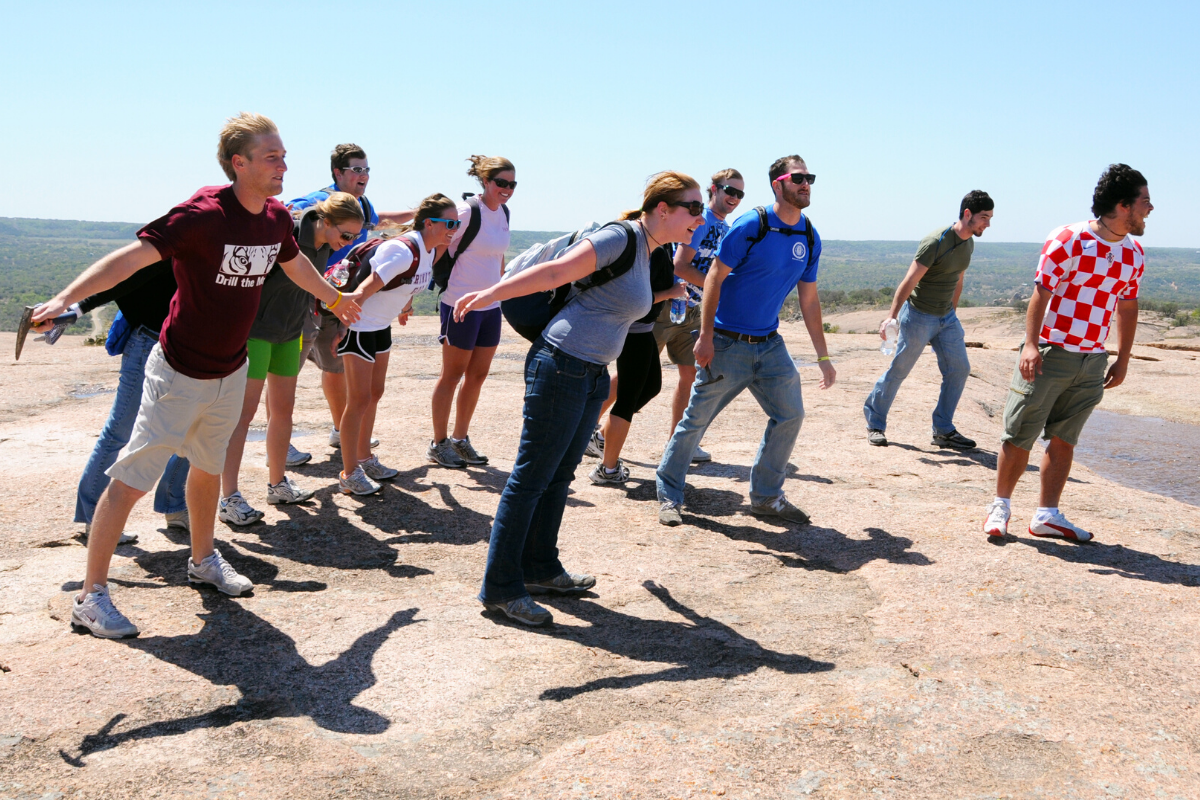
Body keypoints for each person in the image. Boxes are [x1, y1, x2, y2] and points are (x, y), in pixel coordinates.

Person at [34, 113, 362, 638]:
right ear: (240, 163)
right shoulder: (204, 213)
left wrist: (337, 299)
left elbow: (294, 264)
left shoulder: (275, 217)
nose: (284, 165)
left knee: (206, 470)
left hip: (232, 367)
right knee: (132, 479)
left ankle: (203, 559)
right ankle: (91, 595)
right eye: (272, 157)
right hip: (179, 370)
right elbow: (132, 259)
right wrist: (67, 298)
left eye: (283, 155)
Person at [454, 171, 706, 626]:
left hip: (590, 372)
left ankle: (542, 569)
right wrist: (490, 294)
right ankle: (500, 588)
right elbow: (555, 271)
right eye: (694, 207)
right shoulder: (621, 237)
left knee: (558, 477)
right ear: (663, 209)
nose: (701, 217)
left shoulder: (654, 250)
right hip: (560, 365)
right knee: (530, 479)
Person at [656, 155, 836, 528]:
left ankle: (766, 497)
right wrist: (705, 336)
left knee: (790, 414)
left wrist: (823, 356)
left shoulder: (808, 235)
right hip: (727, 342)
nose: (806, 184)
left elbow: (809, 299)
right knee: (696, 421)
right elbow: (714, 278)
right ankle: (669, 493)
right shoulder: (752, 224)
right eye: (798, 178)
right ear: (778, 184)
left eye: (809, 178)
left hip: (769, 344)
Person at [983, 164, 1150, 542]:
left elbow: (1127, 306)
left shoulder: (1134, 253)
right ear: (1123, 205)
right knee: (1019, 433)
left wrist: (1121, 358)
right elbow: (1041, 293)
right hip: (1051, 352)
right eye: (1145, 202)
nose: (1150, 209)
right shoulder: (1068, 239)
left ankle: (1047, 515)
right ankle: (1000, 508)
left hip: (1092, 360)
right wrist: (1030, 344)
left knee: (1064, 439)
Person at [218, 192, 365, 524]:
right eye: (346, 235)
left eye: (355, 236)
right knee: (243, 416)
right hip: (255, 331)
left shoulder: (327, 243)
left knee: (282, 411)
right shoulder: (288, 235)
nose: (348, 242)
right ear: (326, 222)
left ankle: (277, 483)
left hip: (290, 331)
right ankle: (229, 497)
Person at [289, 144, 413, 452]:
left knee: (336, 367)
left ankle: (339, 429)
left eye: (366, 169)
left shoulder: (363, 205)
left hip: (340, 300)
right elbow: (290, 209)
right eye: (356, 169)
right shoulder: (320, 201)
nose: (363, 175)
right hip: (307, 297)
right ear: (337, 173)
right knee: (288, 371)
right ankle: (282, 443)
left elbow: (378, 219)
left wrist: (416, 214)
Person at [337, 194, 458, 496]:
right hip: (360, 326)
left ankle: (364, 457)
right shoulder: (402, 251)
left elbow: (413, 280)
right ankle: (349, 472)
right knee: (359, 400)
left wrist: (406, 304)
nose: (454, 229)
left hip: (380, 326)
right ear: (429, 223)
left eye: (457, 223)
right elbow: (365, 287)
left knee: (374, 394)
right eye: (450, 223)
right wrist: (340, 327)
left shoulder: (429, 249)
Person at [863, 191, 995, 448]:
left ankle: (943, 429)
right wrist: (891, 317)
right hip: (918, 316)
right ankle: (875, 423)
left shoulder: (969, 242)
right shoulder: (936, 241)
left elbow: (959, 278)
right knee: (900, 369)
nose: (987, 224)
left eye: (990, 218)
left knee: (959, 369)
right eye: (984, 217)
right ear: (967, 214)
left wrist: (952, 314)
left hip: (946, 317)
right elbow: (909, 281)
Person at [73, 262, 191, 544]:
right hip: (147, 342)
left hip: (184, 345)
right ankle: (94, 518)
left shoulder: (203, 247)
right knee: (120, 431)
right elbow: (116, 284)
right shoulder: (163, 251)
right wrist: (74, 309)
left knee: (188, 431)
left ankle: (174, 507)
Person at [651, 168, 745, 462]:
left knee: (689, 376)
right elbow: (680, 265)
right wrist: (715, 288)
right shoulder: (701, 221)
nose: (734, 198)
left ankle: (677, 444)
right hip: (670, 306)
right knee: (638, 373)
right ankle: (595, 429)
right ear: (714, 189)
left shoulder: (723, 225)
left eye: (740, 194)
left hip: (692, 309)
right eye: (730, 190)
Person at [428, 156, 515, 469]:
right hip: (460, 304)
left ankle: (460, 439)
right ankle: (438, 443)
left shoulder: (503, 212)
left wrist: (502, 291)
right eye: (501, 183)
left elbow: (498, 259)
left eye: (512, 184)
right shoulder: (467, 211)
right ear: (486, 182)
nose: (506, 189)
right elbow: (439, 245)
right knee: (451, 376)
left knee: (477, 376)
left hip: (490, 307)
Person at [589, 246, 686, 484]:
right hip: (633, 330)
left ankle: (599, 437)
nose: (697, 221)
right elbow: (638, 299)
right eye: (691, 212)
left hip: (643, 330)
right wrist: (671, 292)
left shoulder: (657, 247)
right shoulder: (652, 250)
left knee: (651, 386)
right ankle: (607, 469)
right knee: (628, 398)